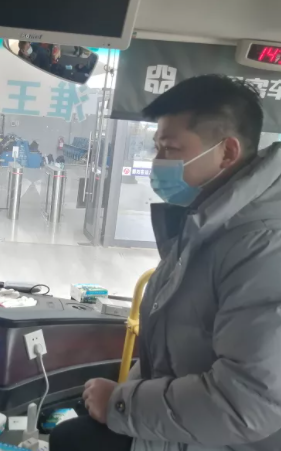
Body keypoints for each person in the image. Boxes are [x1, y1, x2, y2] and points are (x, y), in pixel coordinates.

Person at [50, 74, 281, 451]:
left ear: (227, 152)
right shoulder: (206, 222)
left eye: (170, 149)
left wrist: (121, 404)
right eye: (157, 147)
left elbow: (248, 402)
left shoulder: (263, 247)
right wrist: (124, 397)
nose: (158, 162)